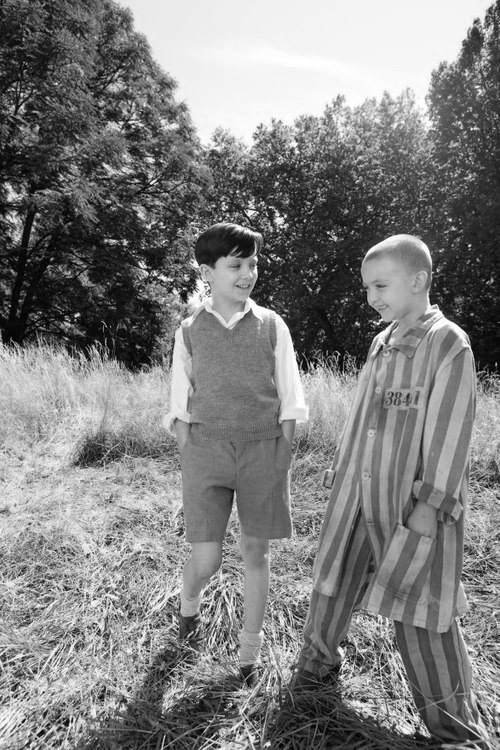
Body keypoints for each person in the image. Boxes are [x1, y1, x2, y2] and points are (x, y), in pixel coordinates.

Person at [295, 234, 490, 747]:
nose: (371, 297)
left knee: (421, 607)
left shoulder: (447, 343)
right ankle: (314, 669)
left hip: (408, 507)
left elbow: (450, 433)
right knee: (332, 579)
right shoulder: (381, 342)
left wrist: (429, 507)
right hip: (356, 496)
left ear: (418, 280)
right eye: (366, 288)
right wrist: (339, 475)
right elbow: (361, 418)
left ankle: (454, 729)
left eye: (380, 285)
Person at [164, 222, 308, 687]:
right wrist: (188, 446)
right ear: (207, 272)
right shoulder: (190, 330)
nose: (248, 274)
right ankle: (189, 606)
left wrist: (282, 450)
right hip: (206, 454)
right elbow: (179, 401)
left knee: (255, 552)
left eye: (253, 264)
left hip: (263, 451)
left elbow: (290, 396)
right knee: (206, 560)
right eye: (236, 265)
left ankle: (249, 652)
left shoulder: (271, 325)